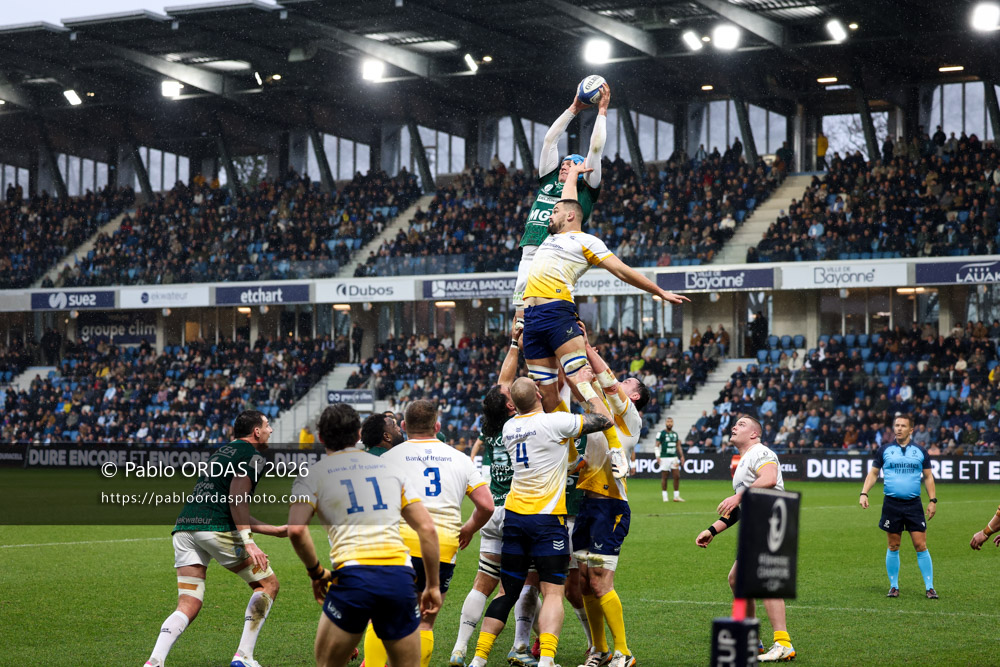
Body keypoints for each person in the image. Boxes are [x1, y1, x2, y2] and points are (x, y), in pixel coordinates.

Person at [521, 160, 688, 477]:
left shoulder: (586, 241)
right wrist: (571, 176)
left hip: (558, 313)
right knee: (548, 396)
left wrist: (659, 291)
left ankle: (615, 449)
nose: (549, 216)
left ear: (569, 217)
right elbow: (568, 200)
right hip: (532, 320)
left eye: (554, 213)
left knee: (583, 386)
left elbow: (622, 271)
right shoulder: (554, 236)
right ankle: (571, 458)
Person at [468, 374, 612, 667]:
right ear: (538, 393)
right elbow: (604, 420)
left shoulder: (510, 427)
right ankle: (547, 660)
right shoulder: (554, 422)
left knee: (507, 591)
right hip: (547, 520)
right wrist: (584, 387)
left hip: (515, 519)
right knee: (553, 592)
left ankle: (479, 658)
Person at [287, 403, 442, 667]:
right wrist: (434, 586)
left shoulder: (312, 476)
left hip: (353, 579)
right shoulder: (391, 470)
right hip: (399, 579)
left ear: (321, 437)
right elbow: (427, 529)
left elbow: (297, 529)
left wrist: (316, 572)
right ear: (359, 434)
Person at [144, 410, 287, 667]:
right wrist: (249, 541)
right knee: (267, 585)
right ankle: (243, 657)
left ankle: (154, 662)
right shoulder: (253, 457)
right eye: (267, 425)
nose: (270, 430)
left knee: (188, 602)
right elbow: (236, 499)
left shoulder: (221, 452)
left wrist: (274, 530)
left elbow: (224, 503)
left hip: (186, 527)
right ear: (256, 431)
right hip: (214, 528)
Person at [363, 400, 495, 667]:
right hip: (441, 546)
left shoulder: (387, 458)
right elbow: (487, 505)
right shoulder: (460, 459)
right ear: (437, 426)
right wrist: (469, 528)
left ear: (403, 426)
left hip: (397, 543)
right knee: (425, 622)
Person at [573, 341, 650, 667]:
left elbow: (606, 380)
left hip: (612, 507)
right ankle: (600, 650)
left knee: (601, 579)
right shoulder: (598, 411)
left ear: (633, 397)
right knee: (585, 581)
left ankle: (624, 651)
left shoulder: (630, 419)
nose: (621, 382)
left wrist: (585, 346)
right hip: (588, 506)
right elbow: (581, 388)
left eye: (628, 383)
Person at [695, 415, 796, 663]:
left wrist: (737, 497)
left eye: (741, 424)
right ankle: (753, 641)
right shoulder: (743, 462)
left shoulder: (761, 451)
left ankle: (783, 643)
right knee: (737, 579)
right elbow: (741, 508)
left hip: (770, 520)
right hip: (757, 522)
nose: (734, 427)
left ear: (754, 434)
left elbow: (770, 478)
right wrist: (713, 529)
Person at [512, 83, 611, 317]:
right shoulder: (548, 179)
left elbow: (595, 150)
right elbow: (549, 141)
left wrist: (602, 111)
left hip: (558, 252)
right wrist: (574, 108)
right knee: (521, 320)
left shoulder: (586, 187)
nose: (566, 166)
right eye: (564, 163)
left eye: (573, 163)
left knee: (555, 313)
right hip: (530, 250)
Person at [859, 414, 938, 599]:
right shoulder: (884, 450)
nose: (899, 428)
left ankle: (930, 587)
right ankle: (894, 586)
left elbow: (928, 477)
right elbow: (874, 473)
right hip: (891, 504)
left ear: (911, 430)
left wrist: (933, 500)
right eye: (896, 425)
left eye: (903, 426)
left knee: (921, 545)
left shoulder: (920, 451)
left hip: (913, 504)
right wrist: (864, 492)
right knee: (893, 545)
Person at [657, 417, 685, 502]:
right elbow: (656, 445)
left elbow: (678, 446)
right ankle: (664, 496)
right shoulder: (661, 433)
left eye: (671, 422)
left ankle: (676, 496)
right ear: (665, 423)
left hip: (674, 457)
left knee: (676, 476)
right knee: (665, 477)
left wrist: (682, 456)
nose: (669, 423)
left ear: (673, 423)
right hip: (664, 457)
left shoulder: (675, 434)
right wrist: (657, 456)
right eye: (668, 422)